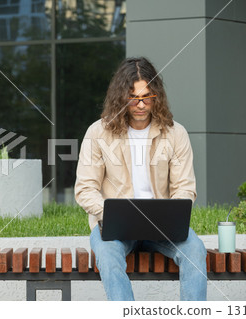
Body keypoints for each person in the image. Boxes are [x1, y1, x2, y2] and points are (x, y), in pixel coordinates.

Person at [74, 57, 207, 301]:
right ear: (120, 97)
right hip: (114, 227)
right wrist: (111, 213)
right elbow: (85, 188)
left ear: (157, 96)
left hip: (163, 227)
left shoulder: (175, 133)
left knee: (195, 250)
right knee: (108, 257)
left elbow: (184, 188)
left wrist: (172, 214)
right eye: (133, 98)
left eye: (147, 97)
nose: (141, 105)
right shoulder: (98, 132)